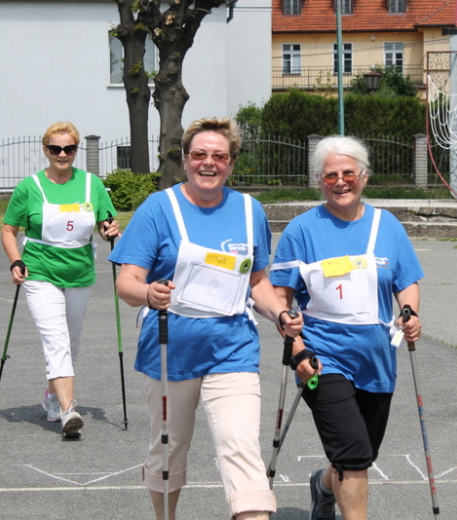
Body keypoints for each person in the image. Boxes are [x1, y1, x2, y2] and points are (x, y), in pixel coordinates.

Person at [109, 117, 303, 520]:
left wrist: (280, 313)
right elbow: (126, 282)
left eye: (219, 156)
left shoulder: (250, 211)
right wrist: (149, 293)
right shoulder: (158, 209)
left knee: (241, 448)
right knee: (168, 447)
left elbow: (258, 282)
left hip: (232, 348)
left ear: (232, 163)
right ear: (185, 160)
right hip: (170, 350)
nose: (208, 163)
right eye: (199, 155)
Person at [269, 136, 424, 520]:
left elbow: (406, 281)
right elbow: (279, 298)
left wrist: (409, 311)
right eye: (330, 175)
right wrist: (295, 340)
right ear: (319, 181)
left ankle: (322, 484)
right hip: (321, 359)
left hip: (376, 361)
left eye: (348, 173)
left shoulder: (386, 225)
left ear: (364, 177)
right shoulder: (301, 230)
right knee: (353, 454)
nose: (340, 182)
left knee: (359, 456)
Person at [1, 121, 120, 438]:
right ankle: (69, 411)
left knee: (72, 342)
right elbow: (9, 229)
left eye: (69, 148)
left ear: (76, 150)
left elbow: (105, 222)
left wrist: (109, 230)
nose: (62, 154)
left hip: (79, 272)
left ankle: (53, 395)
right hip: (40, 271)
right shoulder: (30, 187)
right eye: (56, 149)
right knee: (56, 341)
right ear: (46, 150)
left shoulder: (92, 184)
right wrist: (16, 260)